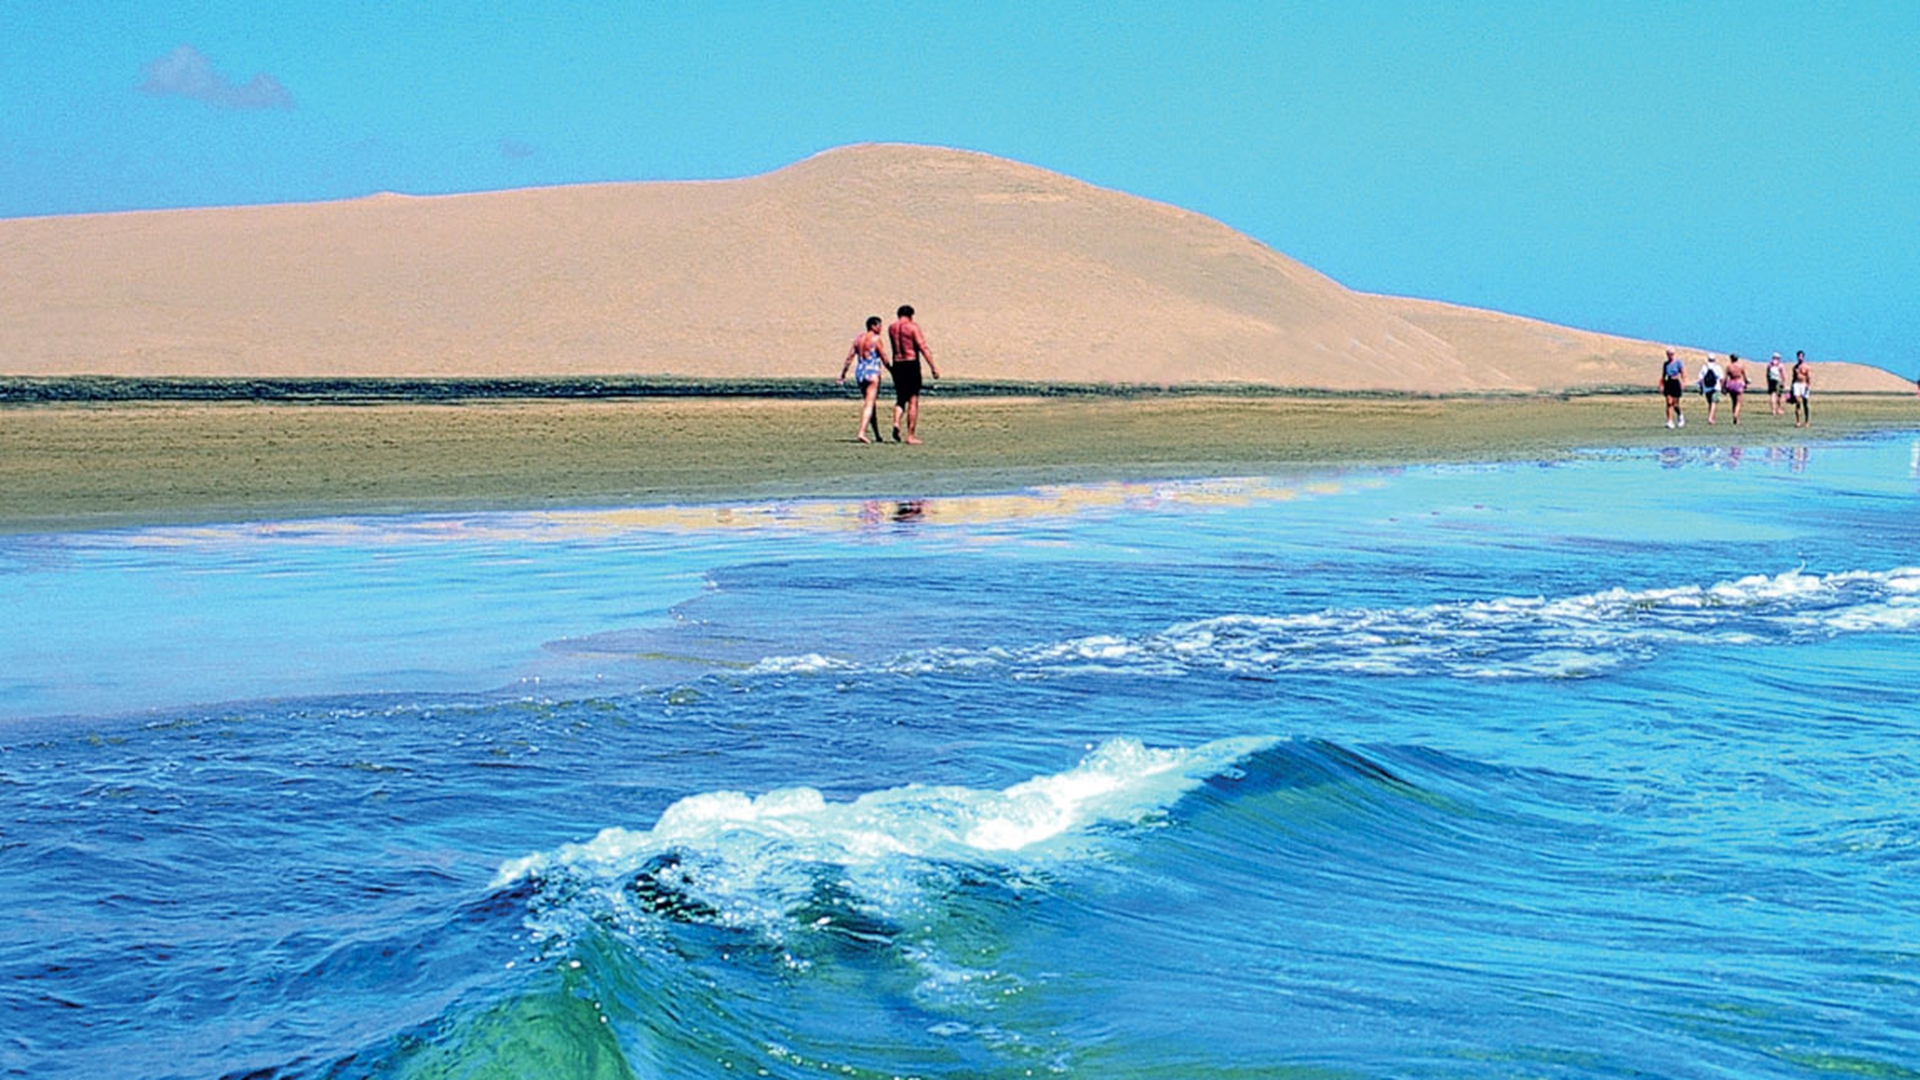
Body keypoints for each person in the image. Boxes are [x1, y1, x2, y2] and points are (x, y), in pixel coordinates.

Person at [886, 305, 940, 444]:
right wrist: (933, 366)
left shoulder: (891, 328)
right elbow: (922, 347)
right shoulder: (912, 327)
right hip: (911, 364)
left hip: (897, 363)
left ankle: (896, 422)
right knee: (913, 400)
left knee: (900, 398)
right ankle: (910, 435)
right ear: (911, 315)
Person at [837, 315, 891, 443]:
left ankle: (877, 434)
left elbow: (849, 358)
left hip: (860, 372)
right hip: (872, 372)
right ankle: (861, 432)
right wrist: (893, 371)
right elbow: (884, 358)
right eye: (879, 325)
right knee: (869, 403)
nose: (881, 328)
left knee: (871, 404)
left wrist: (842, 374)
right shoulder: (876, 339)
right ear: (873, 326)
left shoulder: (858, 339)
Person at [1660, 348, 1686, 429]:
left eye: (1671, 354)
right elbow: (1663, 375)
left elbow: (1683, 373)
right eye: (1668, 354)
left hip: (1675, 383)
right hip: (1668, 383)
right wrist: (1661, 384)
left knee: (1675, 404)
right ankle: (1670, 421)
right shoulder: (1665, 364)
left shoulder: (1678, 363)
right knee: (1669, 402)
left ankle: (1680, 415)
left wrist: (1683, 383)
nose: (1670, 356)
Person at [1723, 353, 1748, 425]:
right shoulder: (1741, 366)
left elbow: (1725, 378)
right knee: (1739, 402)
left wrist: (1723, 387)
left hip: (1731, 384)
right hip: (1739, 383)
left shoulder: (1729, 367)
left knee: (1733, 402)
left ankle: (1735, 417)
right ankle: (1736, 415)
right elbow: (1745, 376)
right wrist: (1746, 383)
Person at [1698, 353, 1723, 425]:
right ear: (1714, 359)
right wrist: (1722, 387)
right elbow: (1721, 378)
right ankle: (1710, 418)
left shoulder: (1704, 367)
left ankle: (1712, 418)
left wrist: (1701, 388)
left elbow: (1701, 379)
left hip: (1707, 388)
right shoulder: (1717, 367)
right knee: (1713, 402)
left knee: (1710, 403)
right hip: (1716, 387)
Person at [1791, 350, 1812, 427]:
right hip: (1796, 384)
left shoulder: (1806, 367)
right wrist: (1791, 387)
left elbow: (1808, 376)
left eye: (1801, 356)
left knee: (1805, 403)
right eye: (1799, 356)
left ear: (1803, 357)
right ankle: (1798, 421)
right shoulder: (1795, 367)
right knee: (1797, 402)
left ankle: (1807, 421)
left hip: (1804, 384)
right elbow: (1793, 377)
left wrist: (1808, 384)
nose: (1800, 358)